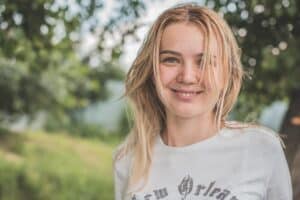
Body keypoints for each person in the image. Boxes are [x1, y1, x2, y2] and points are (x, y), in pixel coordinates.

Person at [113, 3, 292, 200]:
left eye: (204, 61)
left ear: (225, 74)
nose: (187, 77)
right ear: (152, 72)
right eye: (171, 59)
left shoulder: (261, 148)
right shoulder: (128, 159)